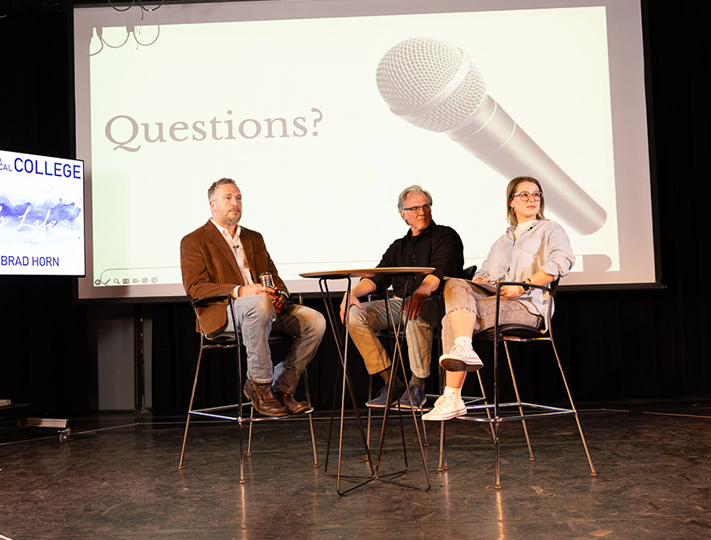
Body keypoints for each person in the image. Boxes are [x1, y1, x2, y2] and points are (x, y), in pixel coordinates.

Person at [423, 175, 575, 421]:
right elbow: (484, 272)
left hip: (528, 308)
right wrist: (482, 282)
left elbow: (561, 262)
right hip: (495, 300)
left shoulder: (550, 229)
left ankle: (452, 395)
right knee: (455, 283)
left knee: (452, 320)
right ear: (511, 202)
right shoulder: (502, 241)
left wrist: (523, 287)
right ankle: (464, 350)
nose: (531, 199)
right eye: (524, 194)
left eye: (536, 194)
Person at [180, 178, 326, 418]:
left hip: (265, 309)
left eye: (238, 198)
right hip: (225, 311)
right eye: (228, 198)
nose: (235, 203)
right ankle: (259, 386)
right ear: (212, 205)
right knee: (257, 302)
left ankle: (281, 387)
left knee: (315, 320)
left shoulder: (253, 238)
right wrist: (240, 290)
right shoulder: (194, 240)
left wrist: (280, 296)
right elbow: (196, 287)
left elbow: (274, 278)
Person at [340, 185, 464, 410]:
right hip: (400, 303)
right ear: (403, 214)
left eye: (426, 206)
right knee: (355, 314)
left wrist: (420, 292)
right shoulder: (398, 247)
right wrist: (352, 293)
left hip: (437, 303)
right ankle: (392, 383)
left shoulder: (446, 236)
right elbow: (377, 277)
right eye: (415, 208)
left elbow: (441, 270)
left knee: (414, 313)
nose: (422, 212)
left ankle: (417, 385)